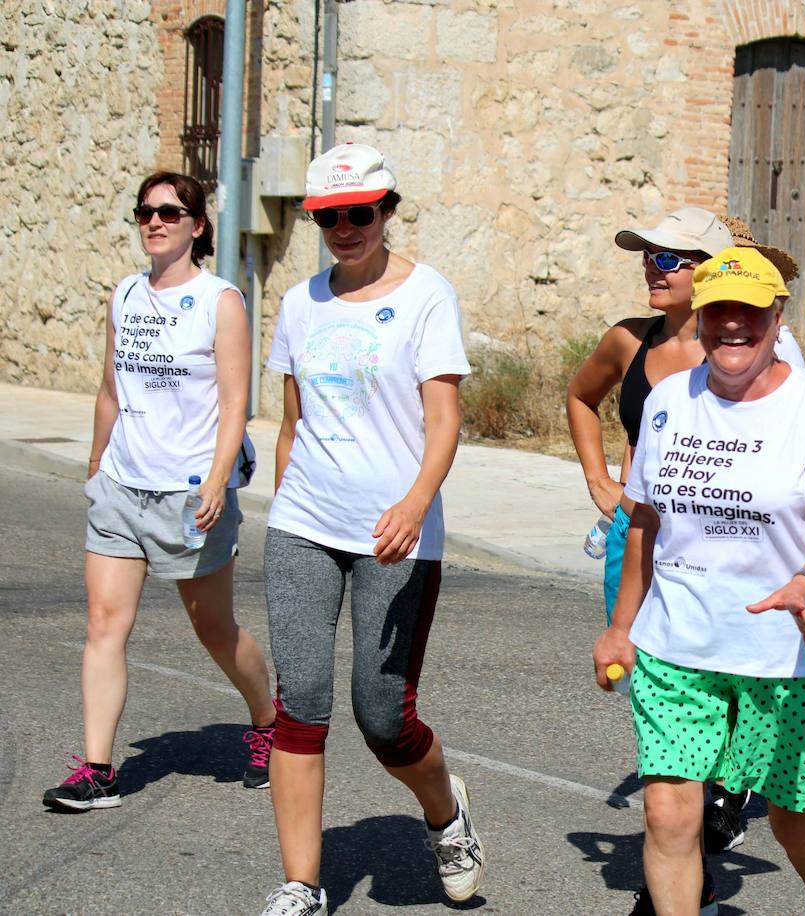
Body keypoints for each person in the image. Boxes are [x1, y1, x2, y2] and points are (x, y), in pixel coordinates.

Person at [594, 247, 805, 916]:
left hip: (786, 652)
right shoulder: (667, 403)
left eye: (751, 312)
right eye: (719, 312)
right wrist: (621, 628)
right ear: (701, 317)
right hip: (676, 644)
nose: (733, 327)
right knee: (668, 816)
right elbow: (646, 523)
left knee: (795, 821)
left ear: (778, 317)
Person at [258, 143, 482, 916]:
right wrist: (289, 496)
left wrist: (417, 501)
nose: (345, 228)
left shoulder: (426, 295)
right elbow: (293, 420)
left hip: (397, 530)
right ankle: (302, 884)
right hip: (303, 524)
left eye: (360, 213)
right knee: (303, 700)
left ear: (387, 210)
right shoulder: (299, 302)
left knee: (382, 714)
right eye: (328, 216)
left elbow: (444, 418)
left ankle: (445, 814)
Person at [43, 171, 275, 812]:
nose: (155, 222)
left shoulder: (220, 301)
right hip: (122, 486)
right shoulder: (124, 294)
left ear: (197, 226)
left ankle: (266, 721)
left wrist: (218, 479)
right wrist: (95, 466)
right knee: (102, 623)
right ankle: (98, 771)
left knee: (214, 630)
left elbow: (235, 406)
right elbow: (112, 388)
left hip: (188, 493)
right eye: (145, 212)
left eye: (170, 212)